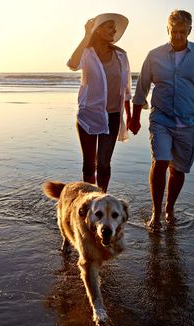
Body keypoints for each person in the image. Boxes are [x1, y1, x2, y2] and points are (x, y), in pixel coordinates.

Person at [129, 9, 194, 228]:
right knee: (160, 162)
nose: (178, 35)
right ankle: (156, 213)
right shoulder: (154, 55)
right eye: (174, 31)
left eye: (182, 31)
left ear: (190, 30)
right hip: (161, 120)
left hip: (189, 123)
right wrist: (135, 117)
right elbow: (142, 88)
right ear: (167, 29)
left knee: (178, 170)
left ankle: (170, 209)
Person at [67, 13, 132, 192]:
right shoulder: (87, 53)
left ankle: (101, 199)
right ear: (99, 29)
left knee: (104, 164)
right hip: (89, 114)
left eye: (114, 27)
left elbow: (126, 89)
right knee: (89, 164)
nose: (114, 30)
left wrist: (130, 115)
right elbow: (72, 64)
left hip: (112, 116)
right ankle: (88, 200)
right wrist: (86, 36)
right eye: (110, 26)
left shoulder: (121, 55)